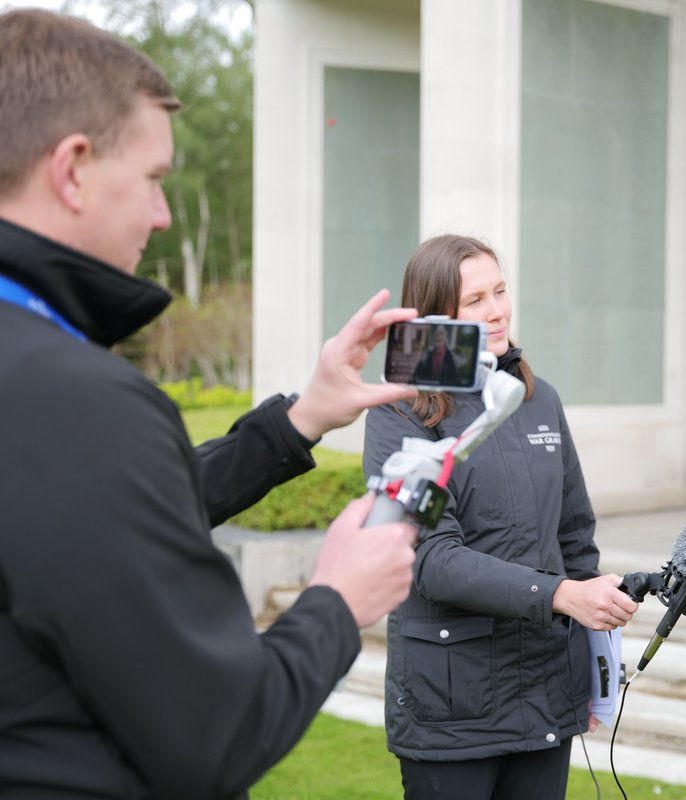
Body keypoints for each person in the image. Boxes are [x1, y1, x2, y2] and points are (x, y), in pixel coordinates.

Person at [0, 10, 420, 799]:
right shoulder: (76, 399)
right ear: (73, 168)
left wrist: (300, 420)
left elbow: (90, 519)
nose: (162, 215)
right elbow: (221, 732)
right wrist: (336, 599)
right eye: (156, 179)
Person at [363, 234, 639, 800]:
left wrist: (590, 669)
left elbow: (574, 538)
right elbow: (430, 560)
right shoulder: (400, 409)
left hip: (544, 696)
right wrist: (561, 594)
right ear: (438, 314)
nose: (496, 311)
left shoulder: (540, 399)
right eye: (475, 300)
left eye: (501, 291)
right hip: (451, 705)